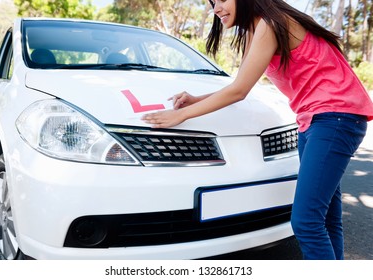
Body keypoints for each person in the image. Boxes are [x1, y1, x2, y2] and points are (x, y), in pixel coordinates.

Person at [142, 0, 373, 259]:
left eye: (221, 0)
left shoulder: (271, 23)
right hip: (314, 120)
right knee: (326, 217)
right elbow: (241, 85)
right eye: (212, 3)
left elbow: (239, 92)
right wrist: (197, 100)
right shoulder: (255, 31)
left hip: (335, 118)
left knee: (306, 222)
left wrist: (181, 114)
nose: (216, 8)